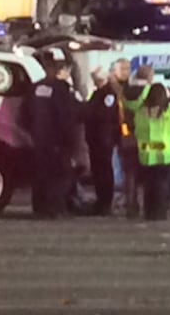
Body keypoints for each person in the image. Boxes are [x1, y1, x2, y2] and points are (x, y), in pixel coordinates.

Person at [22, 52, 87, 217]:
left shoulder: (35, 87)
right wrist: (70, 141)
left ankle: (39, 208)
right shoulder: (61, 89)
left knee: (41, 174)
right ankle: (55, 208)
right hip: (58, 140)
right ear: (62, 70)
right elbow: (67, 116)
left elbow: (24, 114)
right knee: (60, 175)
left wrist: (33, 131)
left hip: (39, 139)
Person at [129, 76, 170, 221]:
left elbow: (137, 130)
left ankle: (149, 212)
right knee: (162, 184)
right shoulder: (169, 111)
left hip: (146, 154)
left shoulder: (141, 112)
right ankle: (160, 212)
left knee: (149, 184)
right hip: (166, 153)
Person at [80, 64, 127, 215]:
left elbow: (101, 115)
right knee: (98, 171)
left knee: (104, 171)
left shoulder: (108, 94)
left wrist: (86, 110)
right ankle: (101, 201)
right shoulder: (99, 93)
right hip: (96, 139)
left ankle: (105, 202)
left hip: (104, 139)